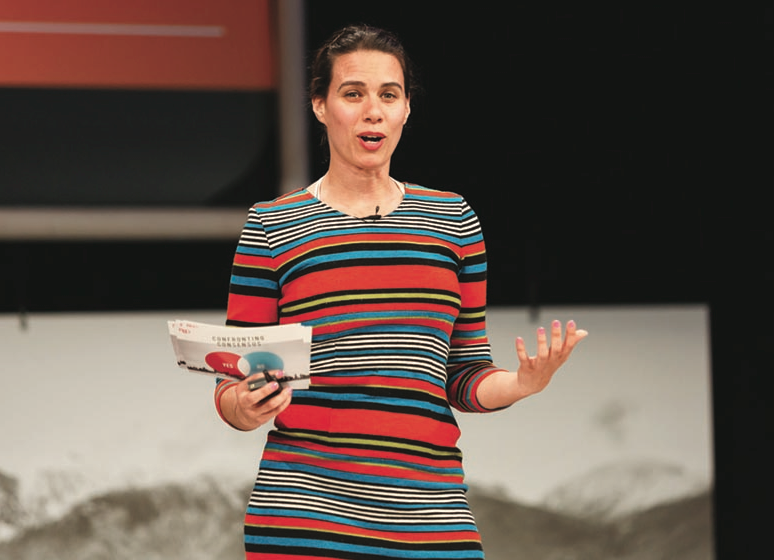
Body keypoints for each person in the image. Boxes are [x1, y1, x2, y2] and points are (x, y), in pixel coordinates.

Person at [214, 23, 588, 559]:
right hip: (306, 521)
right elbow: (233, 384)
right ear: (319, 106)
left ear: (406, 109)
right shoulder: (273, 226)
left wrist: (522, 384)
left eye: (389, 95)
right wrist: (244, 408)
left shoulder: (452, 221)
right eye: (353, 94)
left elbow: (462, 376)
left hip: (433, 522)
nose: (373, 111)